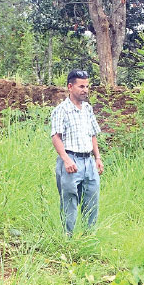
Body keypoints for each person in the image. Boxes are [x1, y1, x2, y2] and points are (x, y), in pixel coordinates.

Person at [50, 69, 104, 236]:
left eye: (87, 86)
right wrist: (66, 160)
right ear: (70, 87)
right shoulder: (62, 110)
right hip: (71, 160)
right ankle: (68, 239)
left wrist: (98, 157)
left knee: (92, 200)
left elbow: (93, 134)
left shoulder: (87, 109)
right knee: (70, 201)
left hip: (88, 161)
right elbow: (56, 137)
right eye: (81, 86)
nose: (85, 90)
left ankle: (89, 238)